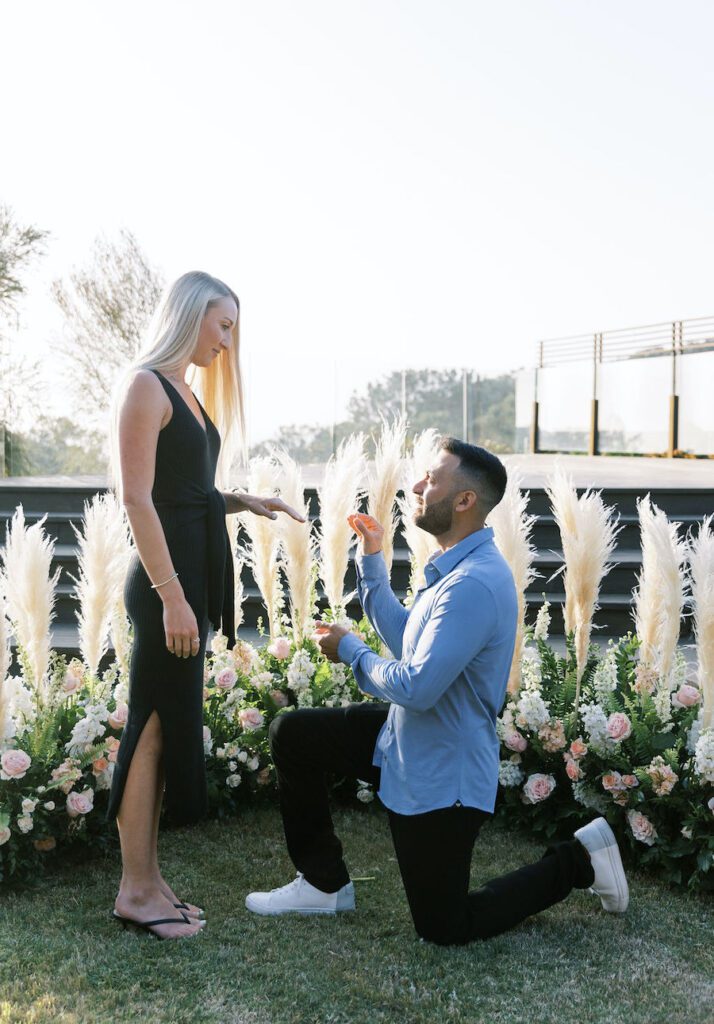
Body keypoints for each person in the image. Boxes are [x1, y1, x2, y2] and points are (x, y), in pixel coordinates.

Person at [245, 438, 628, 944]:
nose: (417, 486)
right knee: (293, 733)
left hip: (443, 774)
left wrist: (354, 652)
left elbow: (418, 686)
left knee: (445, 927)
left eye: (431, 479)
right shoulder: (453, 568)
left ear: (465, 500)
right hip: (403, 741)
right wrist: (372, 558)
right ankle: (322, 883)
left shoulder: (472, 583)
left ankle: (579, 859)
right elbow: (409, 644)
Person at [106, 271, 303, 940]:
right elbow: (138, 500)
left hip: (186, 585)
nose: (228, 340)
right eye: (223, 324)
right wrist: (172, 599)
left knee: (168, 729)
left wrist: (244, 500)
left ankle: (151, 880)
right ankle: (135, 891)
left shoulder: (184, 391)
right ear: (190, 316)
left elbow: (185, 491)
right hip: (168, 591)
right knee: (153, 728)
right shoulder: (146, 386)